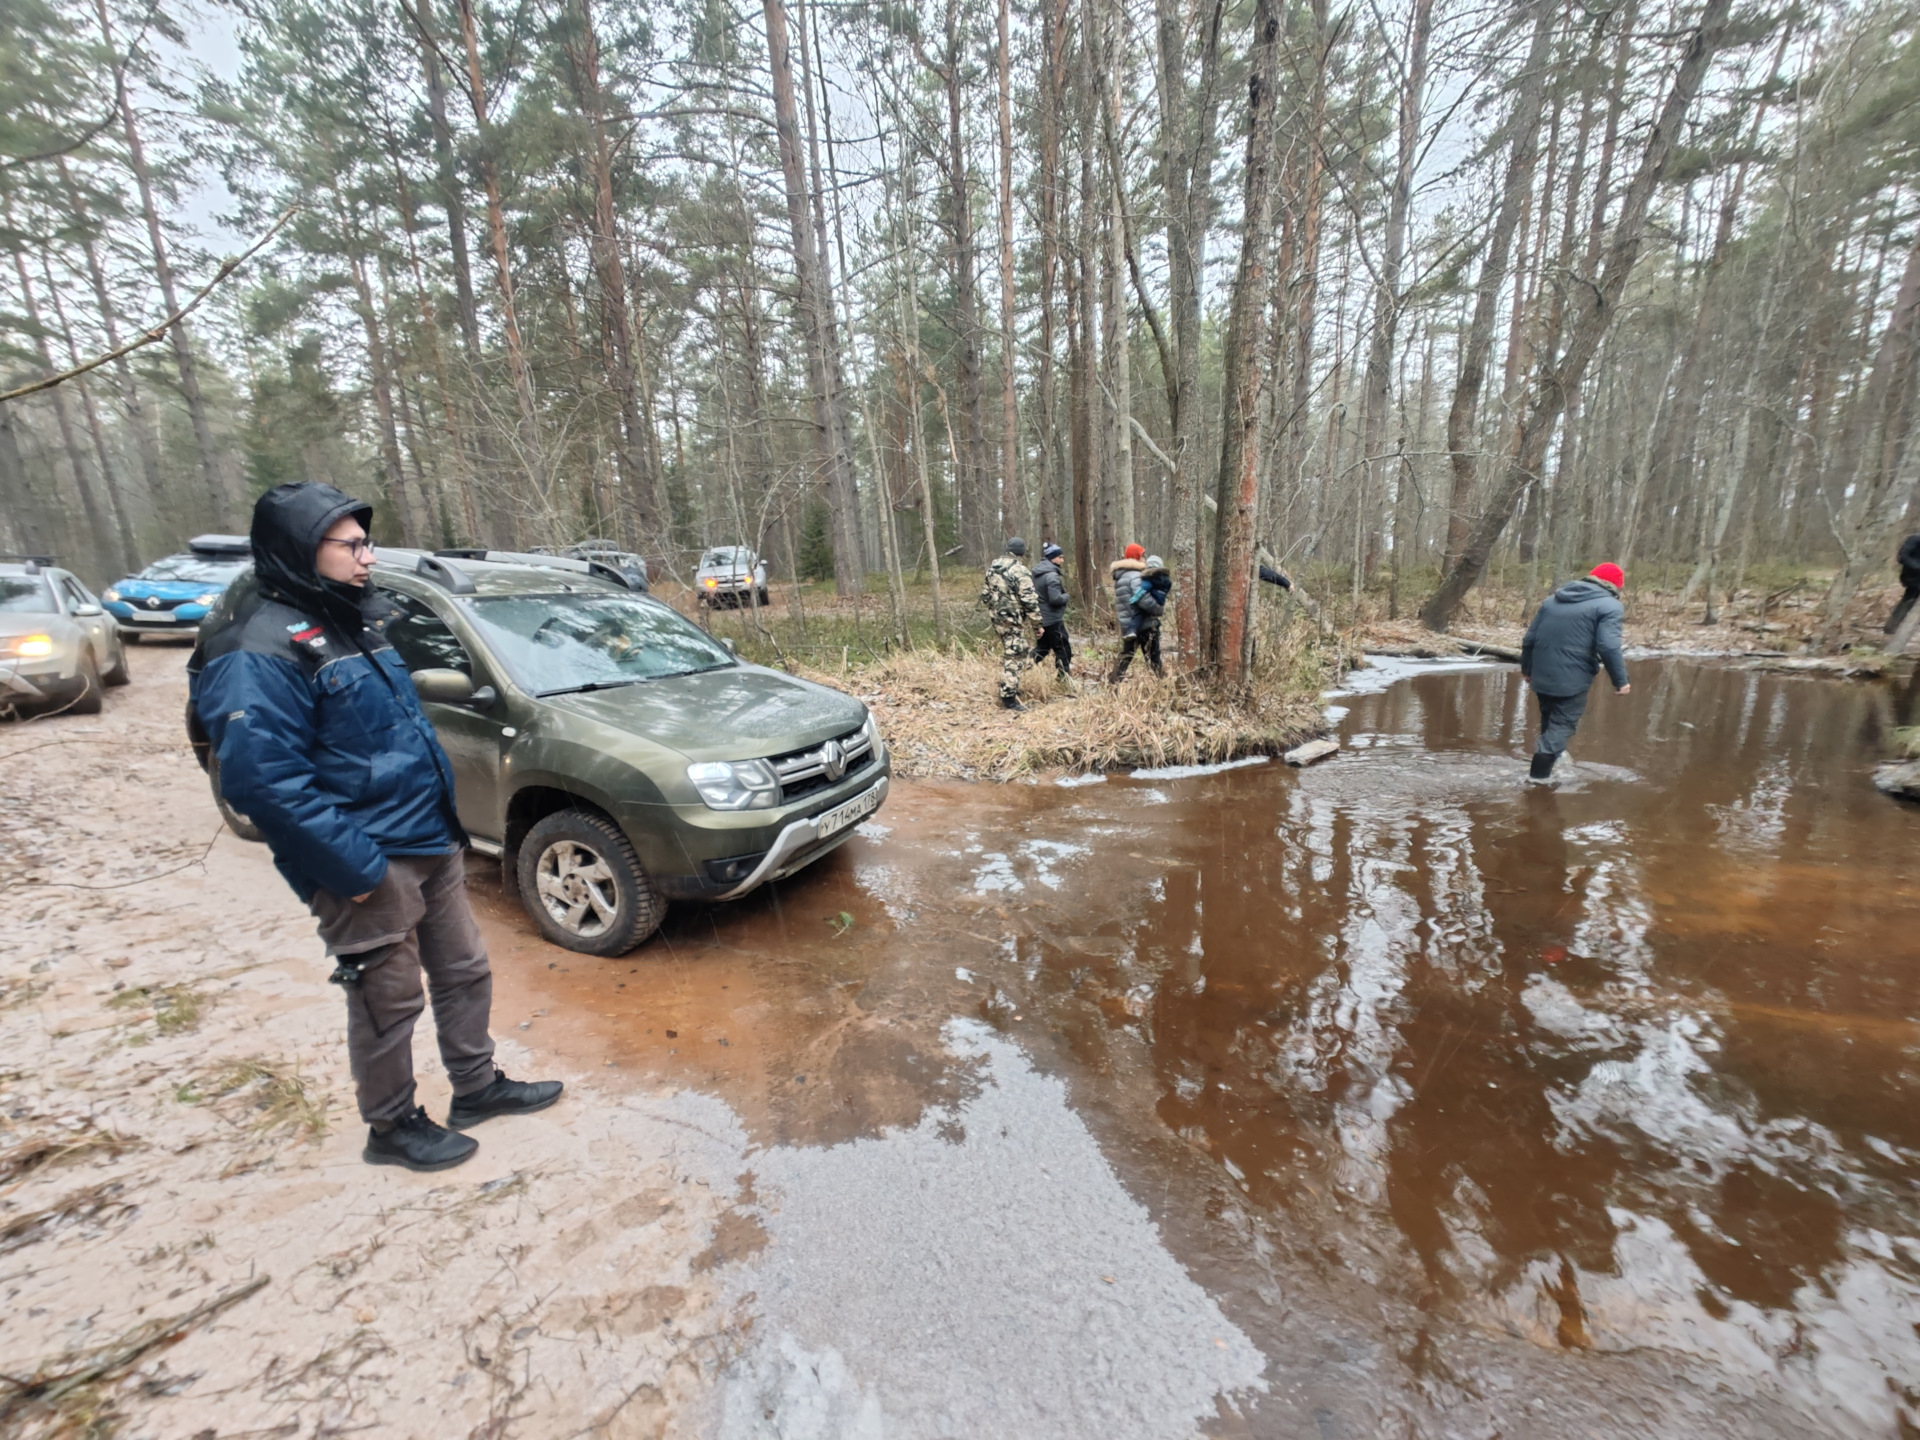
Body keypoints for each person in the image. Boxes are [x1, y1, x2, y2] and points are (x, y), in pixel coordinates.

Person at [190, 482, 562, 1172]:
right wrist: (353, 868)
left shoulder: (350, 621)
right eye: (352, 543)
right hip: (367, 858)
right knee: (387, 998)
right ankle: (391, 1126)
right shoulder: (255, 648)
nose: (369, 556)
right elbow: (263, 783)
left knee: (464, 971)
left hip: (429, 838)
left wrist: (448, 828)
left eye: (368, 542)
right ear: (304, 550)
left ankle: (477, 1087)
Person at [1519, 561, 1632, 781]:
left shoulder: (1552, 601)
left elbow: (1529, 639)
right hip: (1572, 678)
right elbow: (1608, 646)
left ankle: (1553, 755)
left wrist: (1527, 669)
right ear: (1615, 585)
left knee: (1550, 720)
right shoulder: (1610, 606)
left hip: (1541, 673)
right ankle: (1538, 779)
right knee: (1561, 725)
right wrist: (1621, 681)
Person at [980, 536, 1042, 711]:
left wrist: (997, 609)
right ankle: (1008, 697)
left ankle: (1012, 687)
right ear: (1021, 552)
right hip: (1013, 620)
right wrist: (1037, 624)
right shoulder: (1019, 571)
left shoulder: (993, 569)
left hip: (998, 619)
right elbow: (1029, 600)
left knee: (1020, 650)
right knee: (1014, 655)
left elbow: (985, 596)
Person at [1110, 554, 1170, 681]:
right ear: (1137, 557)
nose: (1144, 558)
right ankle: (1164, 685)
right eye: (1142, 555)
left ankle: (1112, 683)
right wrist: (1159, 609)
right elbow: (1144, 600)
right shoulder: (1136, 576)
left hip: (1129, 624)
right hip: (1145, 623)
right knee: (1153, 657)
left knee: (1126, 656)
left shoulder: (1121, 575)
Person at [1030, 542, 1073, 679]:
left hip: (1040, 618)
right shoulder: (1051, 576)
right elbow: (1055, 599)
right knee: (1064, 649)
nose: (1062, 560)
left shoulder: (1036, 573)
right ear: (1052, 558)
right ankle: (1063, 678)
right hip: (1052, 619)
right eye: (1060, 557)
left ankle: (1022, 668)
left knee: (1042, 648)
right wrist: (1066, 596)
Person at [1885, 534, 1920, 634]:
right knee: (1908, 600)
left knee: (1911, 602)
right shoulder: (1915, 540)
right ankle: (1890, 628)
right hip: (1912, 577)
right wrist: (1918, 567)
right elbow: (1902, 557)